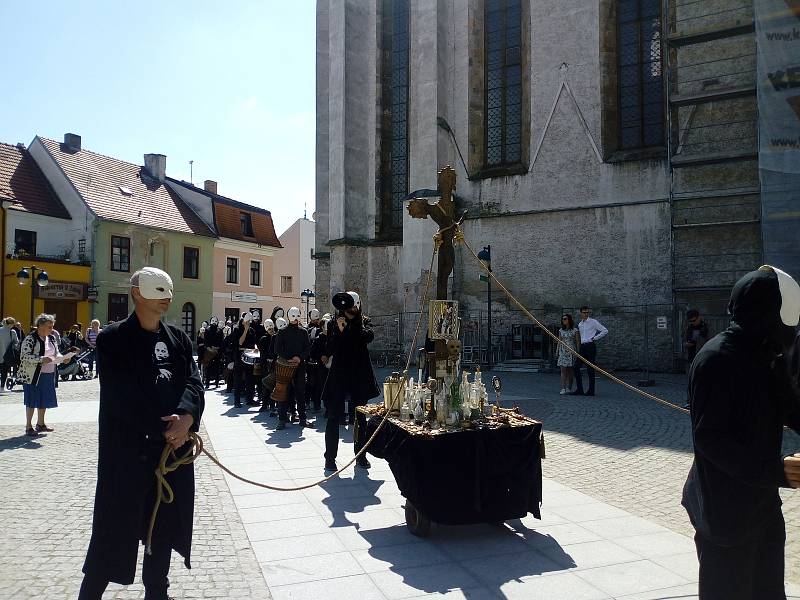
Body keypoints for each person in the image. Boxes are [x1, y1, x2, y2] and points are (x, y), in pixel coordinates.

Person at [78, 266, 204, 600]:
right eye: (157, 292)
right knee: (112, 536)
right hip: (127, 459)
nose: (166, 299)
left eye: (169, 292)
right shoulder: (113, 340)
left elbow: (193, 381)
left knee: (160, 534)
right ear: (137, 292)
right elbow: (122, 395)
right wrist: (164, 429)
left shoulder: (178, 340)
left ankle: (157, 595)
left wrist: (187, 418)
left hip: (169, 458)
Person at [682, 265, 800, 600]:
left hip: (762, 504)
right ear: (771, 315)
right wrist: (778, 470)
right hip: (724, 512)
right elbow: (711, 439)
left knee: (768, 591)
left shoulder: (768, 354)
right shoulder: (716, 359)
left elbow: (789, 406)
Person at [322, 292, 379, 472]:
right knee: (333, 417)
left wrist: (350, 327)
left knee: (360, 417)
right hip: (339, 374)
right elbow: (329, 348)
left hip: (359, 375)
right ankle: (329, 458)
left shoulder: (364, 322)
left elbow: (366, 337)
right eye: (348, 309)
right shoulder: (333, 323)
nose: (351, 311)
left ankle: (361, 455)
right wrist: (338, 332)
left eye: (354, 308)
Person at [18, 314, 72, 436]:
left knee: (44, 399)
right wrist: (41, 359)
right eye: (49, 326)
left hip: (48, 373)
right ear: (40, 325)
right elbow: (24, 356)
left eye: (52, 326)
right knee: (31, 399)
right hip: (32, 375)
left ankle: (41, 424)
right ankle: (28, 426)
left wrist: (63, 359)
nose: (52, 329)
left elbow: (55, 354)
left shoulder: (52, 338)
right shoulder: (30, 338)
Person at [274, 308, 312, 429]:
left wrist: (299, 358)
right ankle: (282, 419)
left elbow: (307, 348)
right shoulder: (282, 332)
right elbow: (277, 349)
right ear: (289, 316)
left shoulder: (303, 332)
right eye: (293, 315)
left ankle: (302, 418)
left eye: (298, 315)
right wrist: (288, 359)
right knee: (283, 392)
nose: (296, 318)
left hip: (299, 366)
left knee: (300, 393)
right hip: (285, 367)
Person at [571, 306, 608, 396]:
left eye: (587, 312)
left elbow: (605, 330)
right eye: (584, 312)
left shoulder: (593, 322)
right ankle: (580, 389)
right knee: (576, 367)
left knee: (590, 369)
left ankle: (591, 391)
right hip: (583, 347)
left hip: (590, 346)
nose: (586, 314)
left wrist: (594, 338)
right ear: (581, 313)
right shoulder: (580, 324)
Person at [232, 312, 258, 408]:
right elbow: (240, 342)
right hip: (239, 358)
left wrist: (255, 347)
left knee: (250, 380)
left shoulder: (252, 330)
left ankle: (249, 399)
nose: (248, 323)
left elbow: (254, 342)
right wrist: (245, 330)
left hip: (249, 358)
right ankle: (237, 400)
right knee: (238, 380)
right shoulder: (237, 329)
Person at [556, 314, 580, 395]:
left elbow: (577, 342)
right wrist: (557, 351)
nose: (563, 320)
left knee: (570, 371)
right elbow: (559, 341)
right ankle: (563, 388)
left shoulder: (575, 330)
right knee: (563, 370)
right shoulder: (561, 330)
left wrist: (578, 352)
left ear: (569, 319)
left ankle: (569, 387)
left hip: (571, 351)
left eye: (565, 319)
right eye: (562, 319)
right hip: (563, 351)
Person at [256, 318, 277, 414]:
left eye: (271, 328)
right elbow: (263, 353)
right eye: (268, 328)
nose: (271, 330)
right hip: (266, 365)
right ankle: (265, 404)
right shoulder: (263, 339)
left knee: (274, 386)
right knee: (266, 385)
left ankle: (272, 405)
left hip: (275, 365)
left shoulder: (277, 336)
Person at [202, 316, 224, 388]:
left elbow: (222, 341)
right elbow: (206, 342)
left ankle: (216, 383)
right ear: (210, 321)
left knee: (217, 368)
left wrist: (218, 348)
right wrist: (210, 349)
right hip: (209, 351)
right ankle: (207, 384)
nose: (214, 322)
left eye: (215, 321)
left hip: (217, 352)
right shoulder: (207, 330)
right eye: (213, 321)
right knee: (208, 368)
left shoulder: (219, 330)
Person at [0, 316, 20, 390]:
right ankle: (2, 387)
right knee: (4, 372)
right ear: (10, 324)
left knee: (2, 371)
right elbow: (16, 343)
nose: (13, 326)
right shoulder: (12, 332)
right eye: (13, 324)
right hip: (7, 356)